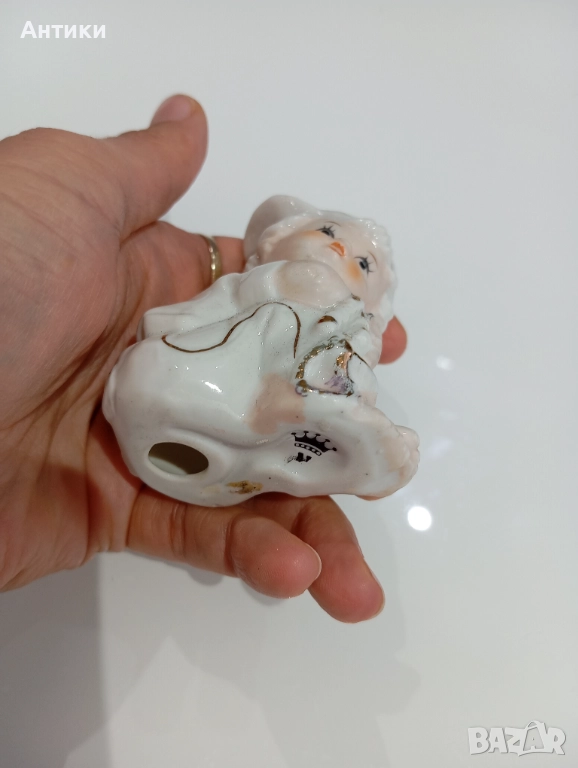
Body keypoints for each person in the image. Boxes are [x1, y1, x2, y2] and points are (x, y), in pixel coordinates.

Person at [0, 94, 408, 623]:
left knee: (329, 395)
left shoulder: (350, 329)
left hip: (288, 403)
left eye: (362, 264)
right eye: (328, 233)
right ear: (273, 245)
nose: (338, 252)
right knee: (149, 379)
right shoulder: (252, 286)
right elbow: (192, 318)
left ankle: (318, 435)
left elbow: (354, 372)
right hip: (207, 382)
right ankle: (294, 426)